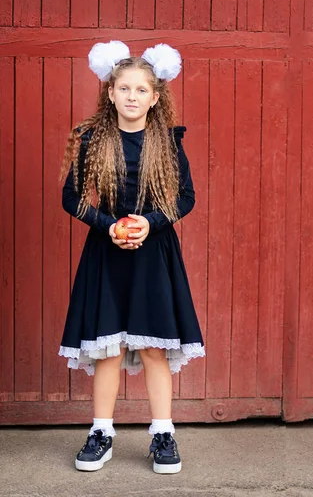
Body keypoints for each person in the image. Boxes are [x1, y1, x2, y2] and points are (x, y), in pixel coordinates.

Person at [58, 41, 205, 474]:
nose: (132, 97)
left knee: (155, 348)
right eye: (124, 89)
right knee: (108, 350)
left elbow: (187, 197)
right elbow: (71, 198)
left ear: (155, 97)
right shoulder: (93, 141)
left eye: (141, 90)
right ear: (110, 93)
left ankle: (163, 433)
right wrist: (109, 226)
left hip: (154, 254)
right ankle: (101, 431)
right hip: (107, 254)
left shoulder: (167, 142)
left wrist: (151, 222)